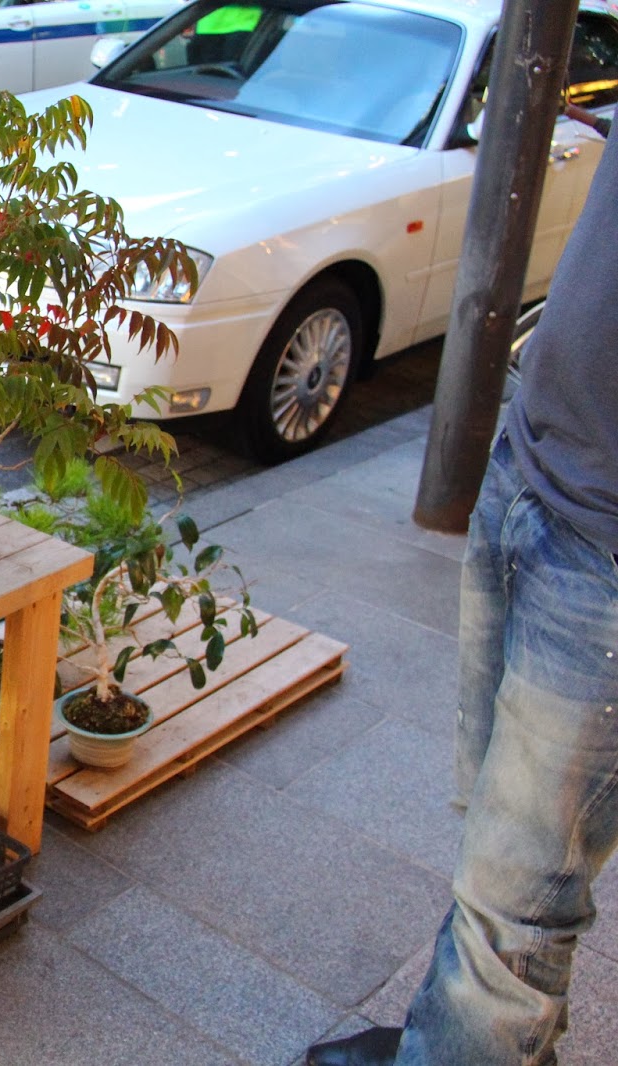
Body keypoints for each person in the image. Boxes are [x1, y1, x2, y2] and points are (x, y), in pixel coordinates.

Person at [306, 113, 618, 1066]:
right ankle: (478, 1040)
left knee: (516, 902)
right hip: (540, 461)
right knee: (504, 851)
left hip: (604, 552)